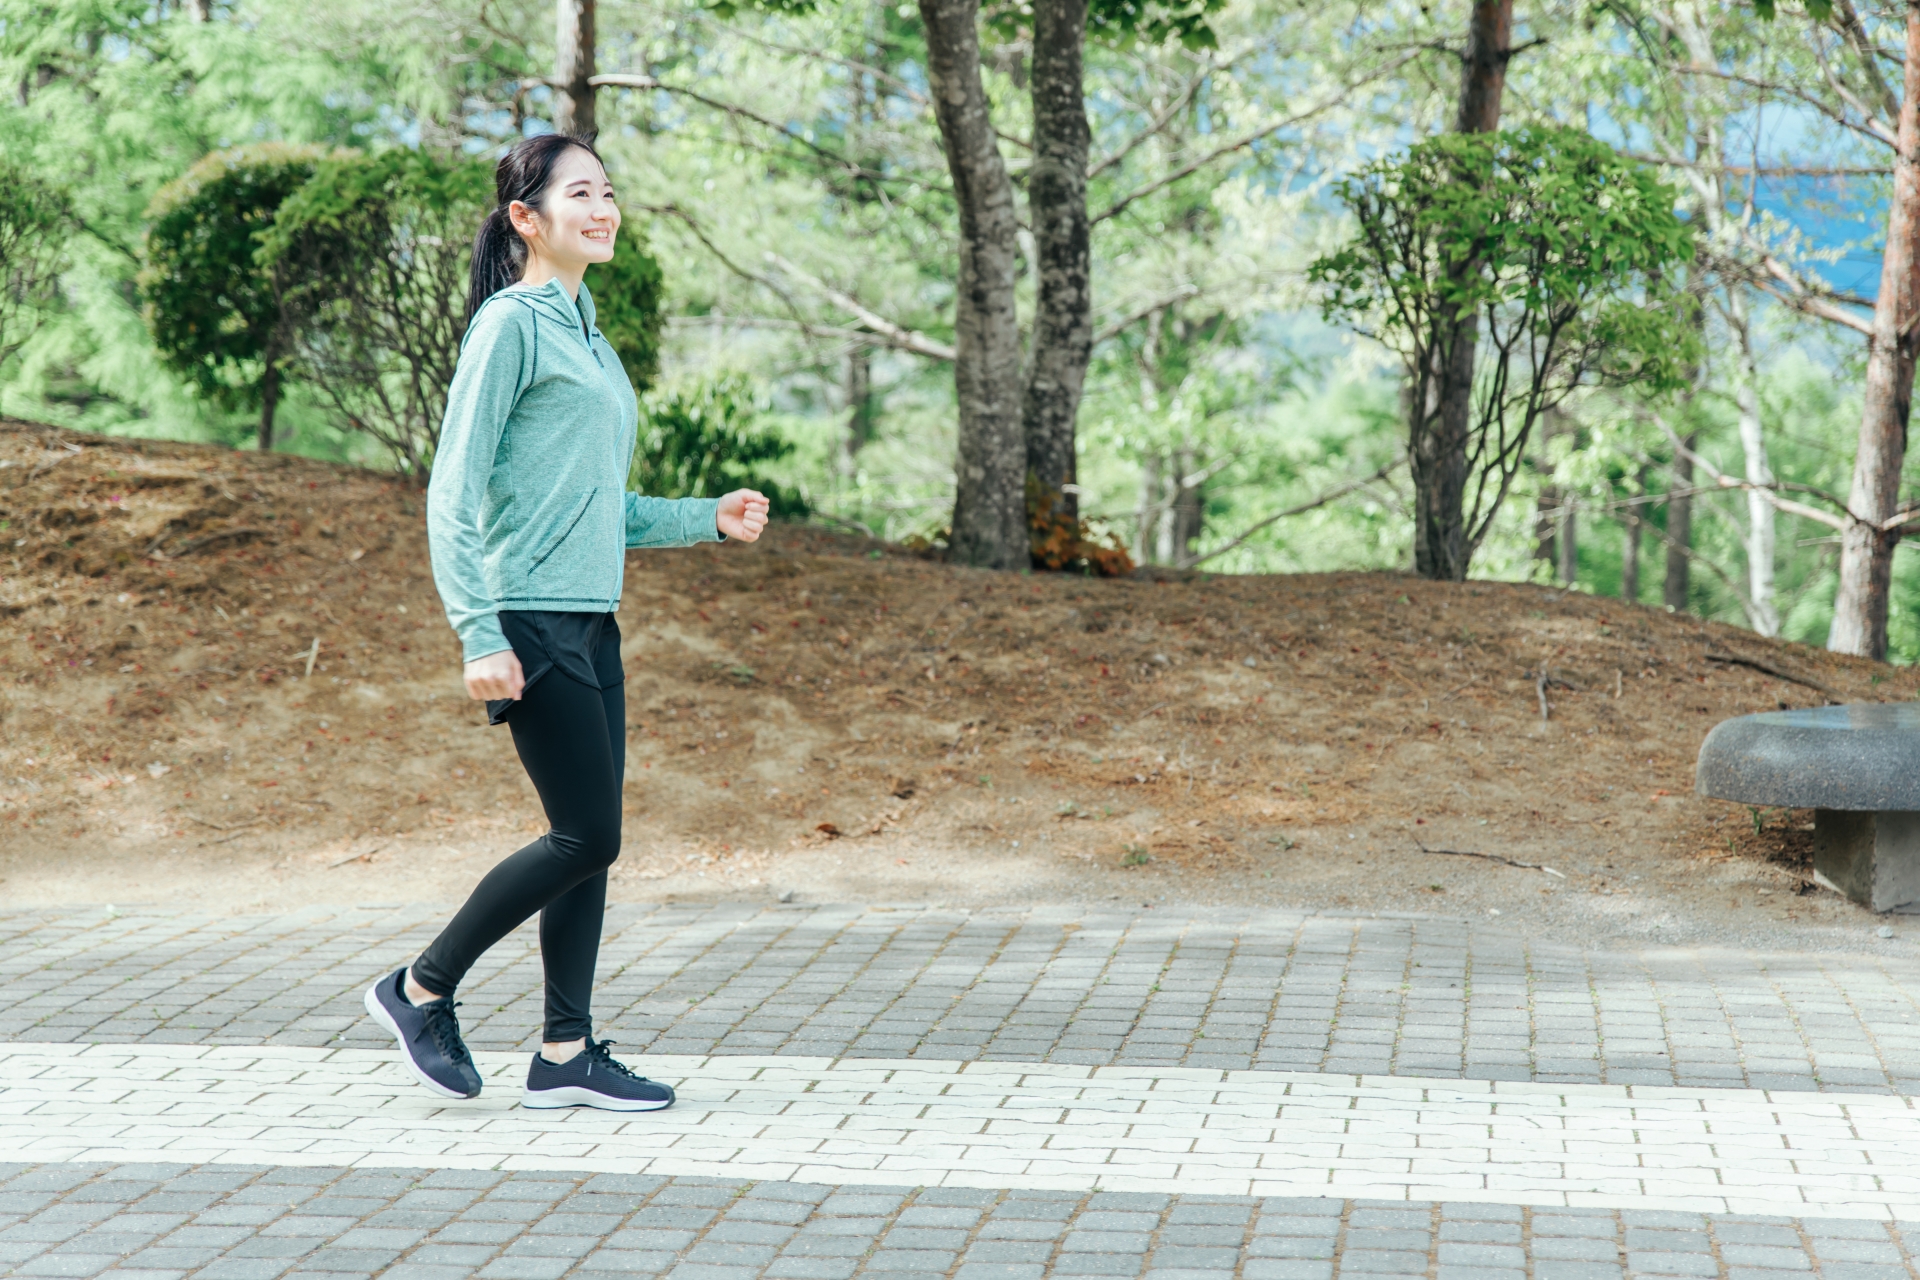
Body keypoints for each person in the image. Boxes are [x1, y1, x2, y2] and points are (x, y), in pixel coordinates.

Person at [363, 133, 769, 1111]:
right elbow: (451, 494)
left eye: (610, 191)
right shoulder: (511, 326)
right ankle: (419, 985)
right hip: (528, 615)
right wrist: (478, 631)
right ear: (525, 218)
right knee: (587, 834)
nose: (605, 207)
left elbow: (609, 508)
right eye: (580, 192)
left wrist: (705, 518)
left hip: (591, 619)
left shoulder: (588, 334)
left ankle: (563, 1047)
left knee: (588, 834)